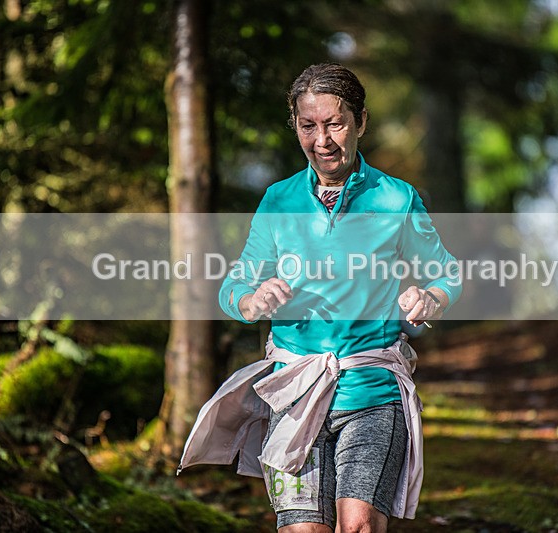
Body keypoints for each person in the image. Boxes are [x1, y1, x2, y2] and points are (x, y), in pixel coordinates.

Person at [177, 63, 461, 532]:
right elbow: (234, 286)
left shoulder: (396, 198)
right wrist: (251, 301)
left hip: (371, 391)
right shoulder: (278, 200)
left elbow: (447, 273)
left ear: (361, 122)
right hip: (294, 395)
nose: (322, 140)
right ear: (296, 126)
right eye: (308, 126)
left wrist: (431, 296)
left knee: (359, 526)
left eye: (335, 123)